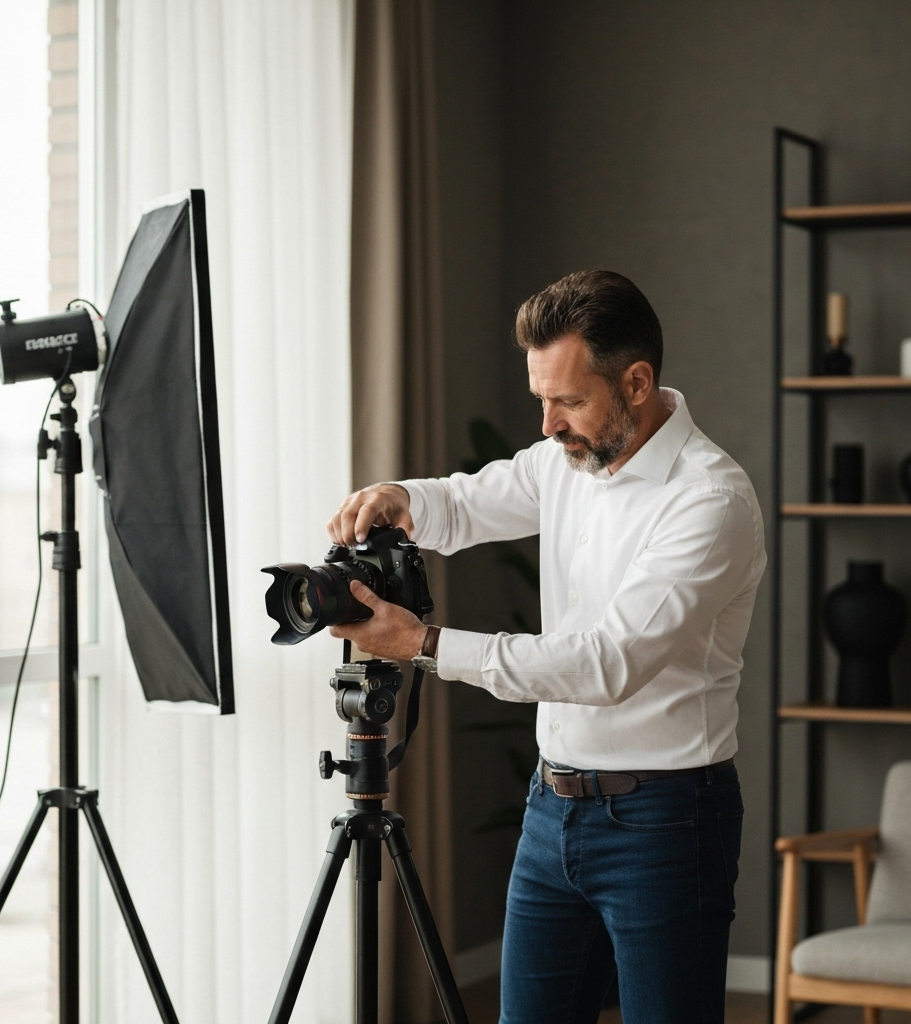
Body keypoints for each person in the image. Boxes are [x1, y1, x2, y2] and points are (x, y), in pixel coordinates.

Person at [327, 270, 766, 1024]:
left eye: (567, 401)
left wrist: (422, 644)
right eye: (541, 400)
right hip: (550, 811)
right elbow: (466, 501)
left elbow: (606, 663)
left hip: (665, 826)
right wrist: (404, 497)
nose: (547, 424)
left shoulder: (710, 500)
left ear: (636, 382)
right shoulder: (565, 462)